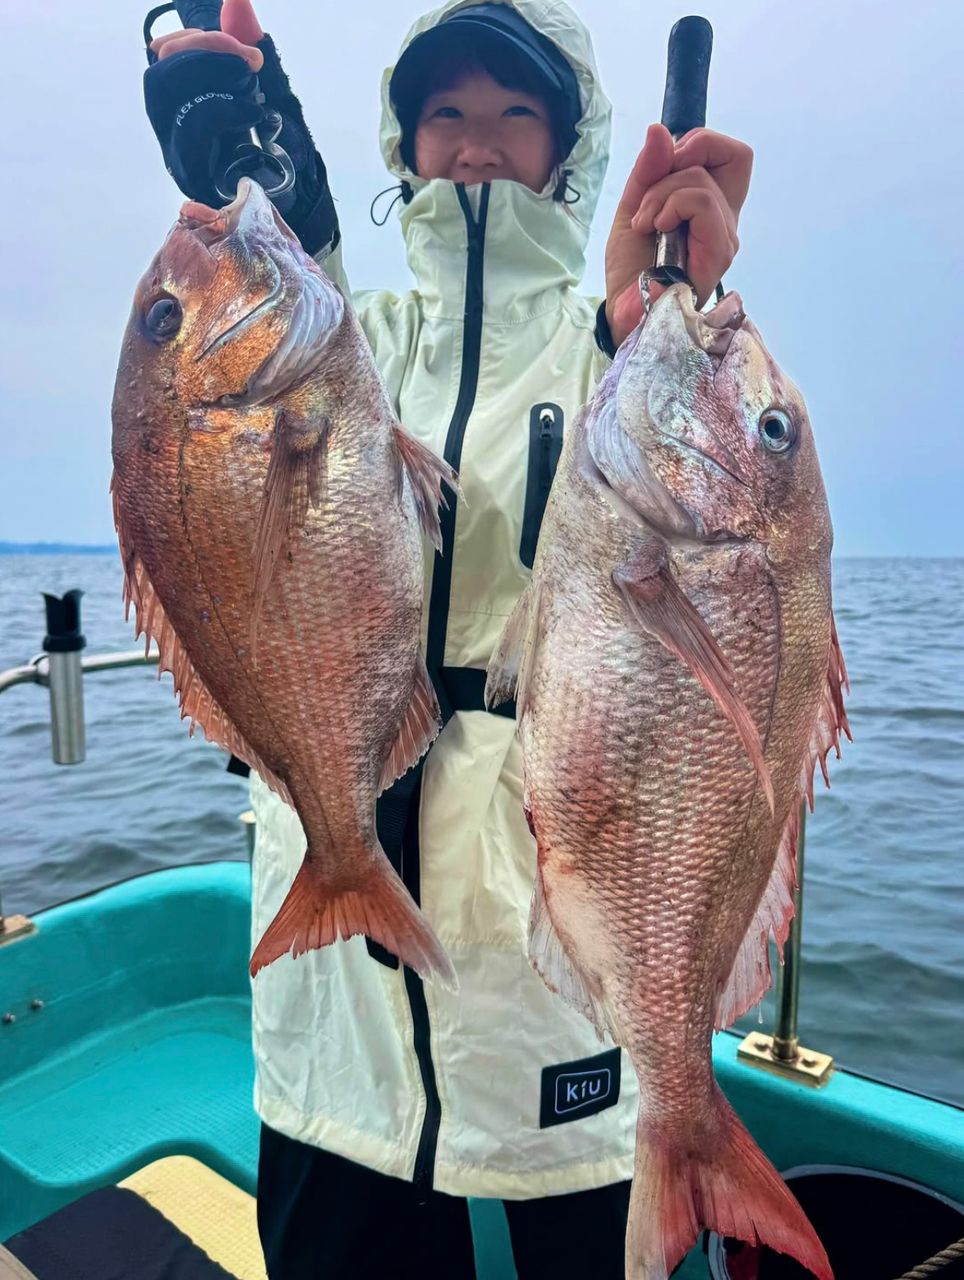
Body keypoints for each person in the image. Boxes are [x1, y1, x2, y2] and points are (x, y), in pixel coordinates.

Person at [144, 2, 753, 1276]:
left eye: (512, 114)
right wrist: (253, 156)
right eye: (445, 116)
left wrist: (669, 305)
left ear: (564, 148)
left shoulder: (615, 358)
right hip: (333, 966)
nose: (475, 145)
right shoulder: (351, 345)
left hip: (549, 952)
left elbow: (714, 504)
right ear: (406, 147)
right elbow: (281, 296)